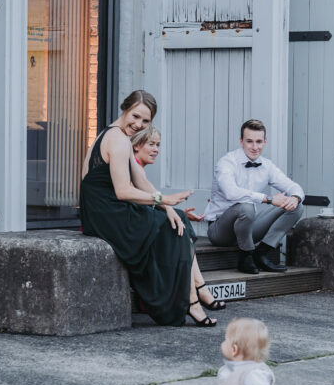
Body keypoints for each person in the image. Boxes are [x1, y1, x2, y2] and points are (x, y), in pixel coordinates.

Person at [80, 90, 224, 327]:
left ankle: (197, 291)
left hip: (109, 209)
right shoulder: (116, 139)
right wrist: (163, 201)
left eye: (145, 121)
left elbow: (141, 181)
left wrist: (166, 205)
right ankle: (191, 299)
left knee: (175, 218)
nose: (138, 125)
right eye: (135, 116)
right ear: (124, 109)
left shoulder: (121, 137)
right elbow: (123, 191)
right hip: (104, 214)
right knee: (170, 227)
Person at [204, 119, 304, 274]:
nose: (255, 147)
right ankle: (245, 256)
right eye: (249, 141)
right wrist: (269, 199)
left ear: (265, 142)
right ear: (241, 141)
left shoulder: (267, 165)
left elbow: (293, 186)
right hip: (220, 231)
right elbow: (231, 193)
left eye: (258, 142)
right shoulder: (227, 162)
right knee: (246, 207)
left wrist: (295, 198)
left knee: (297, 207)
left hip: (248, 229)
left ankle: (261, 253)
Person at [131, 126, 206, 223]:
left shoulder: (137, 167)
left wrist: (175, 211)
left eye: (158, 145)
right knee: (178, 217)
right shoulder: (134, 167)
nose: (156, 149)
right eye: (151, 144)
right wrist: (169, 208)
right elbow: (148, 199)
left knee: (180, 215)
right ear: (136, 145)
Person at [218, 318, 275, 385]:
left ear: (234, 349)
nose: (223, 343)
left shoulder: (253, 374)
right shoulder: (234, 368)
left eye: (226, 340)